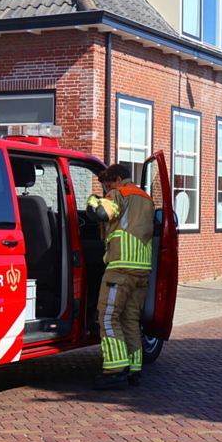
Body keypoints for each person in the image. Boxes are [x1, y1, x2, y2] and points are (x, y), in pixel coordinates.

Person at [85, 163, 154, 390]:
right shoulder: (146, 198)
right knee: (130, 319)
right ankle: (134, 370)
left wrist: (93, 200)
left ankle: (114, 372)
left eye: (107, 184)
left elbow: (101, 214)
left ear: (116, 179)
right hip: (142, 268)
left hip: (121, 266)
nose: (107, 189)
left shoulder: (119, 193)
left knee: (107, 317)